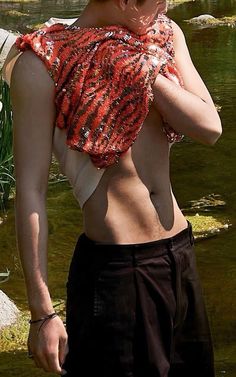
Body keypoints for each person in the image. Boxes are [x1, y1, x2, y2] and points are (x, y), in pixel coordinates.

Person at [3, 0, 222, 376]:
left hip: (180, 256)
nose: (166, 4)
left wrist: (144, 71)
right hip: (118, 273)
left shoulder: (164, 36)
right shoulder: (41, 63)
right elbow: (31, 192)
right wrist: (41, 313)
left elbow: (209, 127)